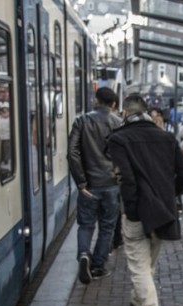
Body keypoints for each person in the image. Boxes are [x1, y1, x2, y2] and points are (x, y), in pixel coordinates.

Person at [108, 94, 183, 306]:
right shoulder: (166, 138)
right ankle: (137, 299)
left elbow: (126, 179)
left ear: (125, 113)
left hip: (136, 213)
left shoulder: (119, 139)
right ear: (146, 112)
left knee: (138, 265)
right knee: (149, 263)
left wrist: (132, 210)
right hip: (163, 211)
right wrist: (169, 193)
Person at [68, 86, 122, 284]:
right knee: (107, 226)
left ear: (96, 100)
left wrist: (81, 182)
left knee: (86, 224)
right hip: (111, 184)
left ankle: (83, 253)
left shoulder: (82, 121)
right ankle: (98, 266)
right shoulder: (119, 123)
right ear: (114, 104)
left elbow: (72, 152)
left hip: (89, 185)